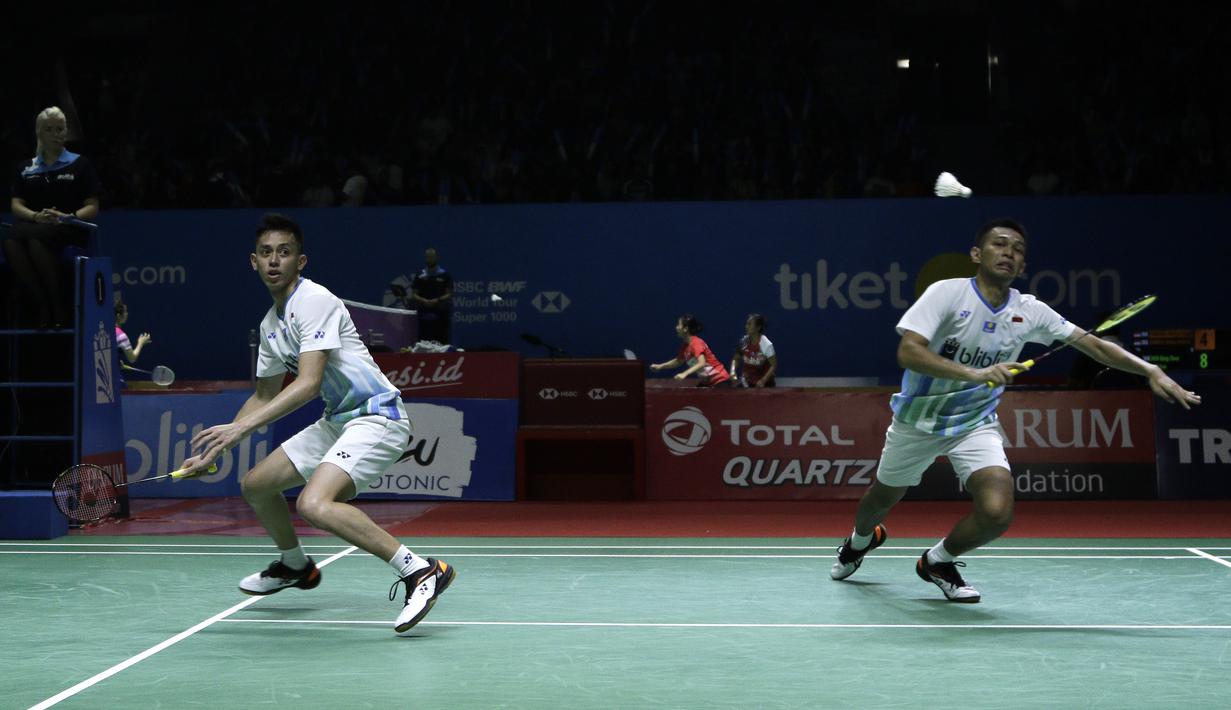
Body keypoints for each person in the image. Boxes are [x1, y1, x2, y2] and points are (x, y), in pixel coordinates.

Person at [830, 218, 1200, 602]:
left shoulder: (1029, 311)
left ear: (1023, 266)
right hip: (917, 420)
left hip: (973, 423)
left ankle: (937, 561)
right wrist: (977, 372)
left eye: (1018, 249)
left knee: (997, 511)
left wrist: (1149, 370)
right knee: (879, 501)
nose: (1009, 252)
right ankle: (860, 541)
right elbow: (909, 352)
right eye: (999, 244)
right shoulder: (948, 294)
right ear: (977, 254)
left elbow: (1092, 345)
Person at [179, 213, 454, 634]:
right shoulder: (271, 326)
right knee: (256, 485)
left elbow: (307, 385)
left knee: (314, 504)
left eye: (284, 253)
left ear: (300, 261)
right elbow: (264, 396)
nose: (275, 261)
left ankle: (421, 570)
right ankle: (295, 566)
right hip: (339, 420)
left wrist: (239, 431)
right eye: (266, 253)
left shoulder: (313, 300)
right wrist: (218, 447)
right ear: (253, 262)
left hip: (377, 414)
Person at [4, 106, 101, 327]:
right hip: (36, 224)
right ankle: (42, 302)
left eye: (60, 129)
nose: (57, 134)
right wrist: (35, 216)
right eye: (50, 129)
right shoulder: (26, 168)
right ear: (39, 132)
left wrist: (68, 216)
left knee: (36, 241)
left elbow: (92, 206)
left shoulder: (80, 164)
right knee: (10, 240)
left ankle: (58, 306)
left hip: (68, 227)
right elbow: (16, 204)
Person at [650, 314, 732, 386]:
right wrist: (660, 366)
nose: (676, 327)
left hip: (721, 380)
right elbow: (678, 361)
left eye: (678, 325)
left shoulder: (696, 343)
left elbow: (701, 363)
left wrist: (684, 373)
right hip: (708, 382)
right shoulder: (686, 346)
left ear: (685, 329)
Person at [409, 247, 453, 345]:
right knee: (423, 336)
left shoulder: (445, 275)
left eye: (432, 257)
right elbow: (414, 294)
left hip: (440, 308)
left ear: (436, 258)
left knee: (442, 336)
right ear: (425, 258)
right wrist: (424, 301)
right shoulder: (420, 275)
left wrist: (436, 300)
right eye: (428, 257)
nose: (430, 259)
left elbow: (449, 294)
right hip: (424, 308)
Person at [730, 313, 778, 387]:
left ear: (758, 327)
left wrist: (763, 380)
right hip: (747, 382)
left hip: (765, 384)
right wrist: (732, 373)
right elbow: (736, 359)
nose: (746, 327)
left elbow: (773, 365)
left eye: (749, 324)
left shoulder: (766, 344)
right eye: (746, 324)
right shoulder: (743, 342)